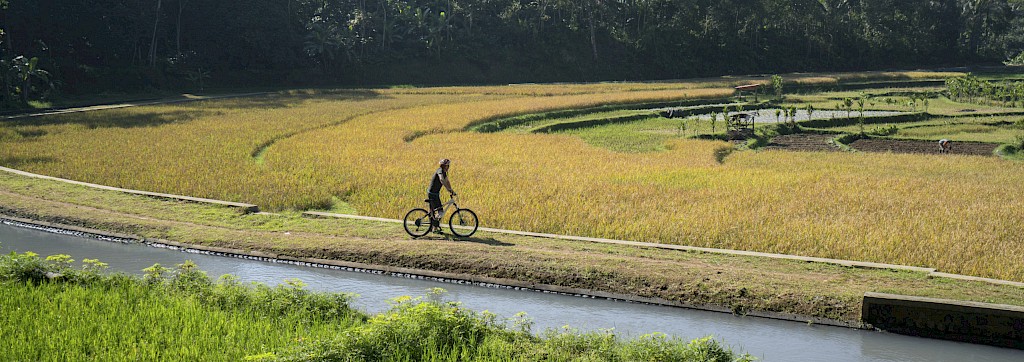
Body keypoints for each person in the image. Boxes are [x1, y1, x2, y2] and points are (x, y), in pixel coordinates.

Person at [427, 158, 456, 233]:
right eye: (447, 166)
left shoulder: (444, 172)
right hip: (433, 194)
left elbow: (447, 181)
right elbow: (442, 180)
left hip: (435, 193)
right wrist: (448, 189)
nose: (448, 167)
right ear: (444, 166)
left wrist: (451, 190)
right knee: (440, 212)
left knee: (434, 211)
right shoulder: (440, 171)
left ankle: (434, 227)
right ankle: (434, 226)